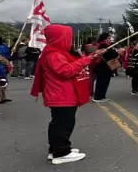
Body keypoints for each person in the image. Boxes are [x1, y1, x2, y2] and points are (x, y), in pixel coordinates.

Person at [30, 24, 103, 164]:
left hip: (61, 94)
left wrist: (92, 56)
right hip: (61, 95)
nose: (70, 41)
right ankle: (61, 152)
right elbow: (66, 71)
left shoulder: (56, 52)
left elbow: (74, 63)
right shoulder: (54, 54)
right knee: (63, 124)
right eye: (68, 37)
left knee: (58, 123)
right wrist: (87, 59)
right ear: (60, 38)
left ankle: (56, 149)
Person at [92, 33, 118, 102]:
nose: (110, 40)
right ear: (104, 39)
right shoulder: (103, 45)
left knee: (104, 82)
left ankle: (102, 96)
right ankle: (98, 97)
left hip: (104, 66)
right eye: (109, 38)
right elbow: (111, 54)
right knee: (102, 82)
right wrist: (118, 52)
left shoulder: (103, 45)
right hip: (102, 66)